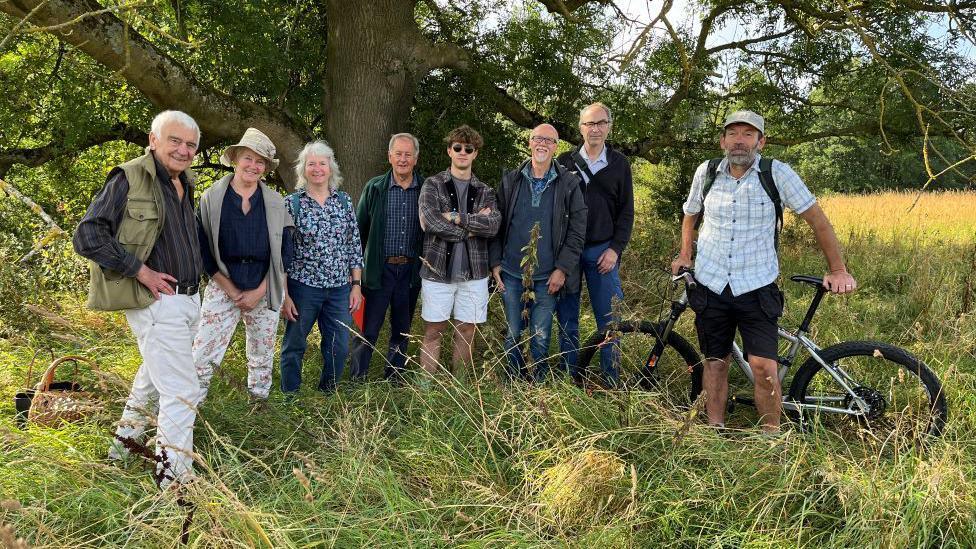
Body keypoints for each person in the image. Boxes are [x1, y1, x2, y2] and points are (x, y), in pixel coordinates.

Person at [672, 109, 857, 432]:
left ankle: (770, 437)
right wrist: (685, 254)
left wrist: (838, 269)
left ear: (761, 141)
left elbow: (818, 221)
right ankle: (715, 429)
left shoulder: (777, 174)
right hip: (711, 284)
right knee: (715, 364)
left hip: (756, 286)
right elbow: (691, 215)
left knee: (763, 368)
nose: (739, 141)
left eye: (747, 134)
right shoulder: (708, 172)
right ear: (723, 141)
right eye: (733, 134)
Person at [73, 110, 203, 488]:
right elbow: (88, 236)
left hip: (188, 301)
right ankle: (174, 485)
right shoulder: (129, 177)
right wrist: (140, 270)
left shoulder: (184, 183)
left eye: (190, 144)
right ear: (153, 139)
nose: (182, 150)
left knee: (150, 381)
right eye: (174, 140)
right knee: (182, 391)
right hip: (156, 302)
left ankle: (121, 451)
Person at [192, 128, 294, 404]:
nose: (253, 166)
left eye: (260, 162)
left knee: (261, 355)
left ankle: (258, 407)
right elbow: (202, 250)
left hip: (265, 285)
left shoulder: (275, 202)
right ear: (236, 158)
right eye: (248, 158)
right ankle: (189, 413)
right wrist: (232, 291)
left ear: (265, 168)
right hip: (223, 284)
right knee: (202, 356)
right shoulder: (211, 198)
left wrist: (259, 291)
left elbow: (286, 252)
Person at [490, 124, 587, 382]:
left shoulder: (568, 184)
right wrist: (495, 262)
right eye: (538, 139)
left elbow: (577, 232)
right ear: (530, 143)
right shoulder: (511, 180)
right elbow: (496, 225)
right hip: (511, 273)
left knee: (540, 335)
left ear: (556, 147)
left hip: (547, 277)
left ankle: (537, 387)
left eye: (549, 140)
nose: (542, 144)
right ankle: (512, 384)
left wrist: (562, 269)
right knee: (513, 334)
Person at [555, 102, 634, 387]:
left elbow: (626, 212)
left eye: (601, 123)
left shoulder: (619, 164)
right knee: (567, 317)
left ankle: (611, 380)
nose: (595, 129)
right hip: (569, 252)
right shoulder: (564, 162)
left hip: (604, 251)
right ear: (580, 128)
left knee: (610, 320)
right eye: (590, 124)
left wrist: (615, 249)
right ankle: (570, 376)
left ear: (609, 127)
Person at [279, 141, 364, 394]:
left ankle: (329, 394)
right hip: (303, 287)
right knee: (294, 345)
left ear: (331, 168)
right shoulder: (292, 204)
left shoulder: (344, 202)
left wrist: (356, 285)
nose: (317, 169)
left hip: (340, 289)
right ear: (303, 170)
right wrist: (285, 295)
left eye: (322, 163)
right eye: (311, 164)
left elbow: (354, 245)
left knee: (339, 347)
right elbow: (282, 254)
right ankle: (290, 397)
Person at [417, 125, 501, 377]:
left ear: (475, 153)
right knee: (433, 331)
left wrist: (454, 216)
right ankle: (425, 390)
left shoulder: (485, 190)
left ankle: (461, 389)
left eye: (468, 149)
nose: (462, 152)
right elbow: (430, 221)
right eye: (457, 148)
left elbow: (494, 224)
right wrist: (473, 227)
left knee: (466, 332)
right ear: (449, 151)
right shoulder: (433, 184)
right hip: (437, 272)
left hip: (475, 275)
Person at [349, 133, 424, 382]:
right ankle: (357, 378)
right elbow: (358, 233)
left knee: (401, 330)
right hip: (378, 271)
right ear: (389, 156)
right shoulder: (375, 188)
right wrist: (355, 277)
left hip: (409, 272)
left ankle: (395, 377)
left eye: (408, 154)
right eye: (398, 154)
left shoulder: (425, 190)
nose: (403, 159)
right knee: (367, 329)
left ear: (416, 158)